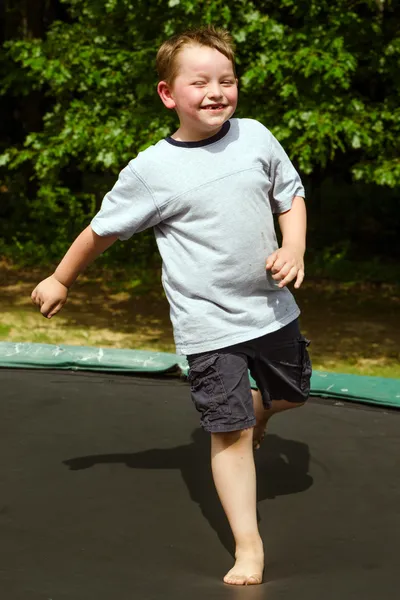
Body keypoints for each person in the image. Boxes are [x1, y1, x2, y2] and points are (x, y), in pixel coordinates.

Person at [31, 25, 312, 586]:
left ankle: (255, 412)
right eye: (200, 82)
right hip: (207, 323)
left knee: (292, 394)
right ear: (168, 94)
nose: (216, 91)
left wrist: (294, 247)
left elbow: (292, 195)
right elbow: (101, 230)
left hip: (271, 311)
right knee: (228, 435)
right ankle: (248, 545)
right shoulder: (152, 171)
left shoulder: (255, 137)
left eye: (227, 80)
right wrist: (61, 278)